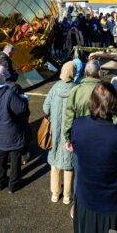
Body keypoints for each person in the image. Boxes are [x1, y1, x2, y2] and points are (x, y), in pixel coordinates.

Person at [70, 83, 117, 232]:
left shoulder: (78, 125)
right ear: (114, 105)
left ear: (92, 101)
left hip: (85, 200)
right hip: (113, 206)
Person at [0, 69, 30, 193]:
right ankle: (13, 184)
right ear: (1, 81)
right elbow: (21, 110)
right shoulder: (8, 93)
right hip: (13, 133)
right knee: (15, 159)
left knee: (0, 158)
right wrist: (24, 99)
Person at [43, 61, 76, 204]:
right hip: (70, 133)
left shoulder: (55, 87)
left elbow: (45, 108)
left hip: (55, 133)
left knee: (55, 164)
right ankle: (67, 196)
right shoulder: (76, 89)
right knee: (69, 165)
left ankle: (55, 194)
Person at [62, 61, 117, 146]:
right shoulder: (107, 90)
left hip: (81, 137)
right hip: (103, 138)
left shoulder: (75, 91)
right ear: (99, 73)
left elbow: (69, 118)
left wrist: (68, 138)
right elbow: (115, 117)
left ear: (85, 72)